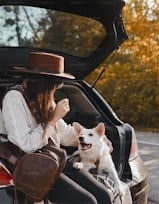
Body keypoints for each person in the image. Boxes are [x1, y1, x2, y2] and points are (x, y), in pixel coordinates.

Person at [0, 52, 115, 204]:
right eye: (53, 87)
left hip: (53, 160)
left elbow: (66, 135)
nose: (54, 91)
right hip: (31, 167)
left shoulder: (44, 100)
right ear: (42, 84)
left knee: (103, 196)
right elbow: (25, 144)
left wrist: (96, 139)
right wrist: (53, 120)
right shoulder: (14, 99)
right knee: (87, 202)